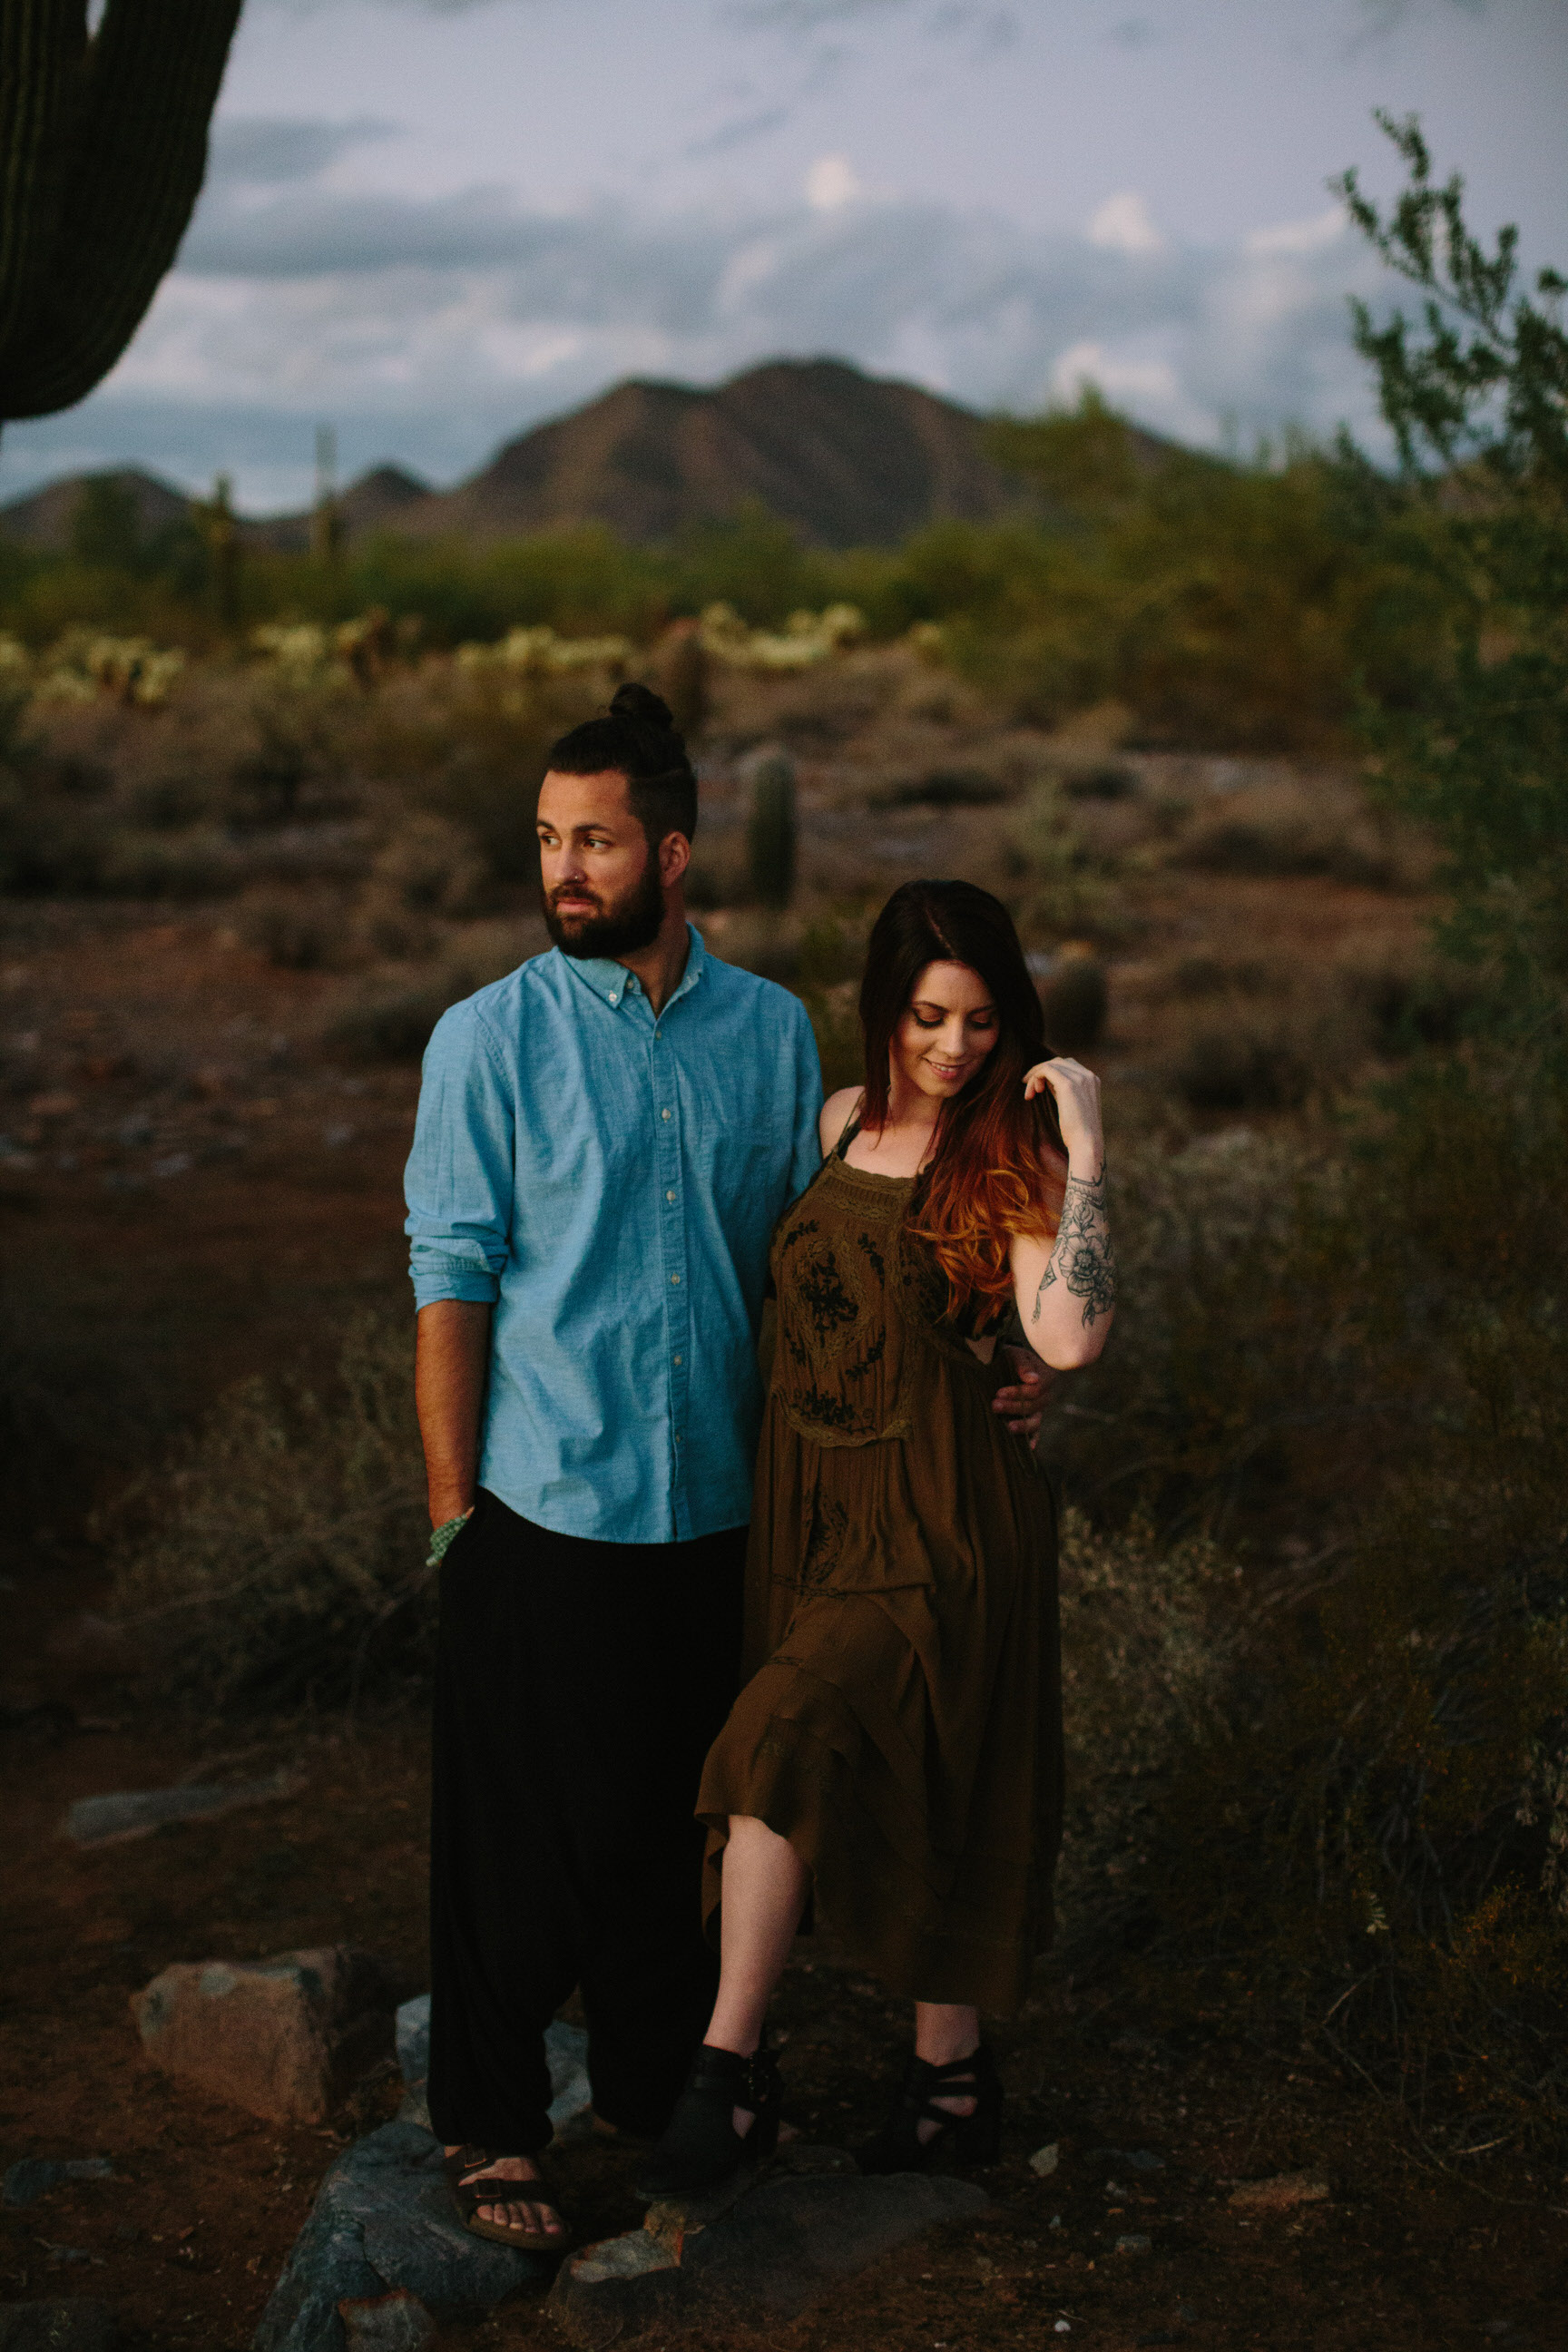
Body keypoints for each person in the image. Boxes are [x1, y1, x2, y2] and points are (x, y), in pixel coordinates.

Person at [404, 695, 1048, 2252]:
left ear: (674, 853)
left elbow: (828, 1251)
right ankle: (489, 2128)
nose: (564, 868)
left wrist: (999, 1367)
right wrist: (450, 1520)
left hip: (732, 1507)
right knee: (515, 1831)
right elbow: (452, 1281)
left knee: (671, 1821)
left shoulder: (769, 1034)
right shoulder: (489, 1038)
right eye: (550, 840)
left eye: (597, 842)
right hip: (547, 1496)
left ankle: (658, 2092)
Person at [635, 877, 1116, 2199]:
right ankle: (949, 2083)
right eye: (926, 1017)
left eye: (978, 1021)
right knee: (930, 1772)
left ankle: (725, 2077)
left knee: (779, 1740)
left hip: (945, 1524)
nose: (955, 1048)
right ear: (883, 1015)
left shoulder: (1009, 1159)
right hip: (815, 1507)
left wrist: (1085, 1142)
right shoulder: (842, 1124)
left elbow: (1068, 1337)